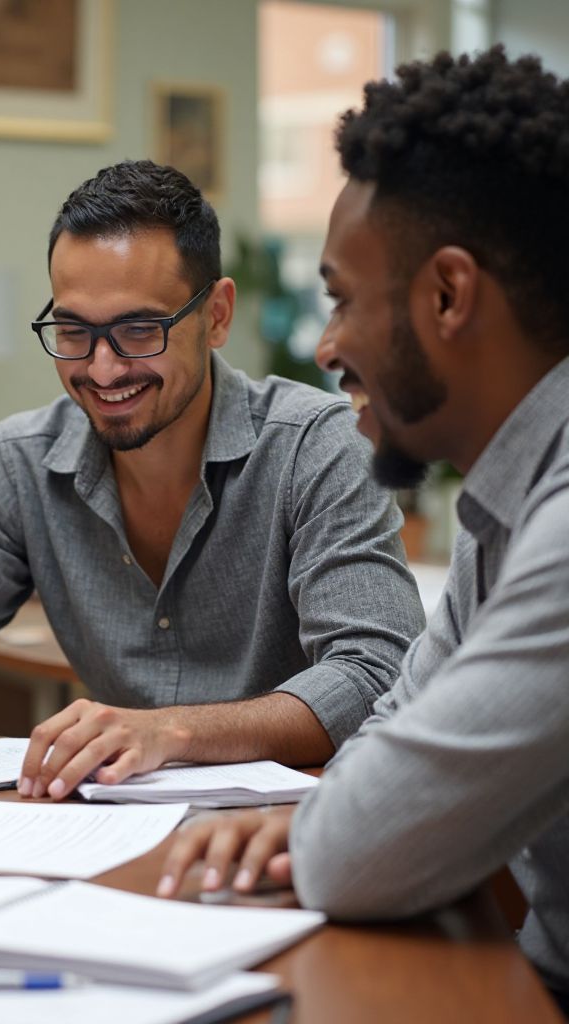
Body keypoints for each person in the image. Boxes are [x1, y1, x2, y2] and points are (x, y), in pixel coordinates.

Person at [156, 46, 569, 1014]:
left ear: (447, 295)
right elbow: (392, 728)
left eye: (342, 298)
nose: (325, 344)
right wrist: (326, 818)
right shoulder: (504, 495)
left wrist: (322, 828)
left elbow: (356, 848)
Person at [0, 159, 425, 798]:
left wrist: (169, 733)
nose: (103, 368)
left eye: (139, 330)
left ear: (218, 315)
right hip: (116, 825)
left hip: (302, 826)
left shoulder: (316, 444)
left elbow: (376, 674)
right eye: (73, 330)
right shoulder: (20, 460)